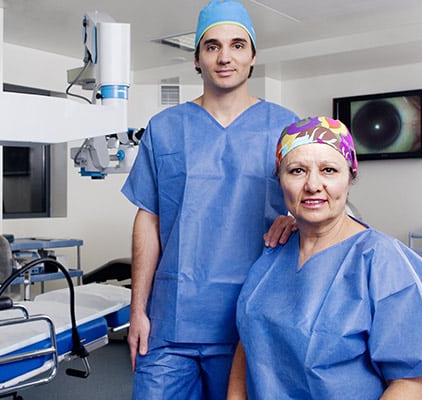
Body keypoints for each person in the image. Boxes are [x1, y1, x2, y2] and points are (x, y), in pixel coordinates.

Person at [120, 1, 299, 398]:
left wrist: (297, 220)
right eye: (212, 46)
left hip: (248, 322)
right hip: (170, 322)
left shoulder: (285, 127)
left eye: (237, 45)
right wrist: (137, 310)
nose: (225, 57)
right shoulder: (165, 128)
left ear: (253, 56)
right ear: (197, 59)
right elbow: (147, 218)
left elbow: (318, 201)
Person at [229, 116, 422, 399]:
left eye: (329, 170)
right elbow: (249, 342)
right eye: (297, 171)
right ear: (279, 180)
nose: (313, 185)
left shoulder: (381, 260)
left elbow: (412, 382)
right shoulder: (275, 248)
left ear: (350, 177)